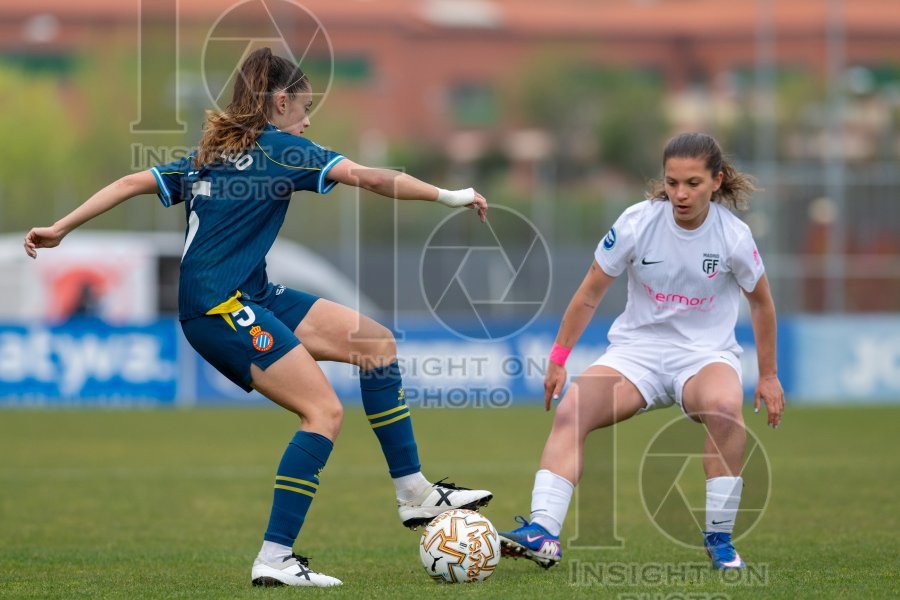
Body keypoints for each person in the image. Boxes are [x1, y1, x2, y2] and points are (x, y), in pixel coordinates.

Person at [24, 47, 492, 588]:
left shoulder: (210, 154)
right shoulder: (286, 150)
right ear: (280, 100)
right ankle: (275, 558)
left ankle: (413, 493)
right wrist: (449, 195)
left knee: (375, 343)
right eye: (305, 106)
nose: (309, 118)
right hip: (218, 306)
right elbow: (368, 177)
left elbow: (131, 182)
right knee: (323, 412)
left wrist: (61, 227)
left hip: (249, 294)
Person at [498, 132, 785, 571]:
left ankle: (720, 539)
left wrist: (768, 375)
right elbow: (590, 292)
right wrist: (558, 359)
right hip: (638, 354)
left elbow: (761, 302)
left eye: (692, 183)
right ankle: (543, 532)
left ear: (716, 181)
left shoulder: (734, 236)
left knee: (726, 409)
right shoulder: (637, 222)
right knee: (572, 408)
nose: (680, 194)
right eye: (672, 183)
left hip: (704, 355)